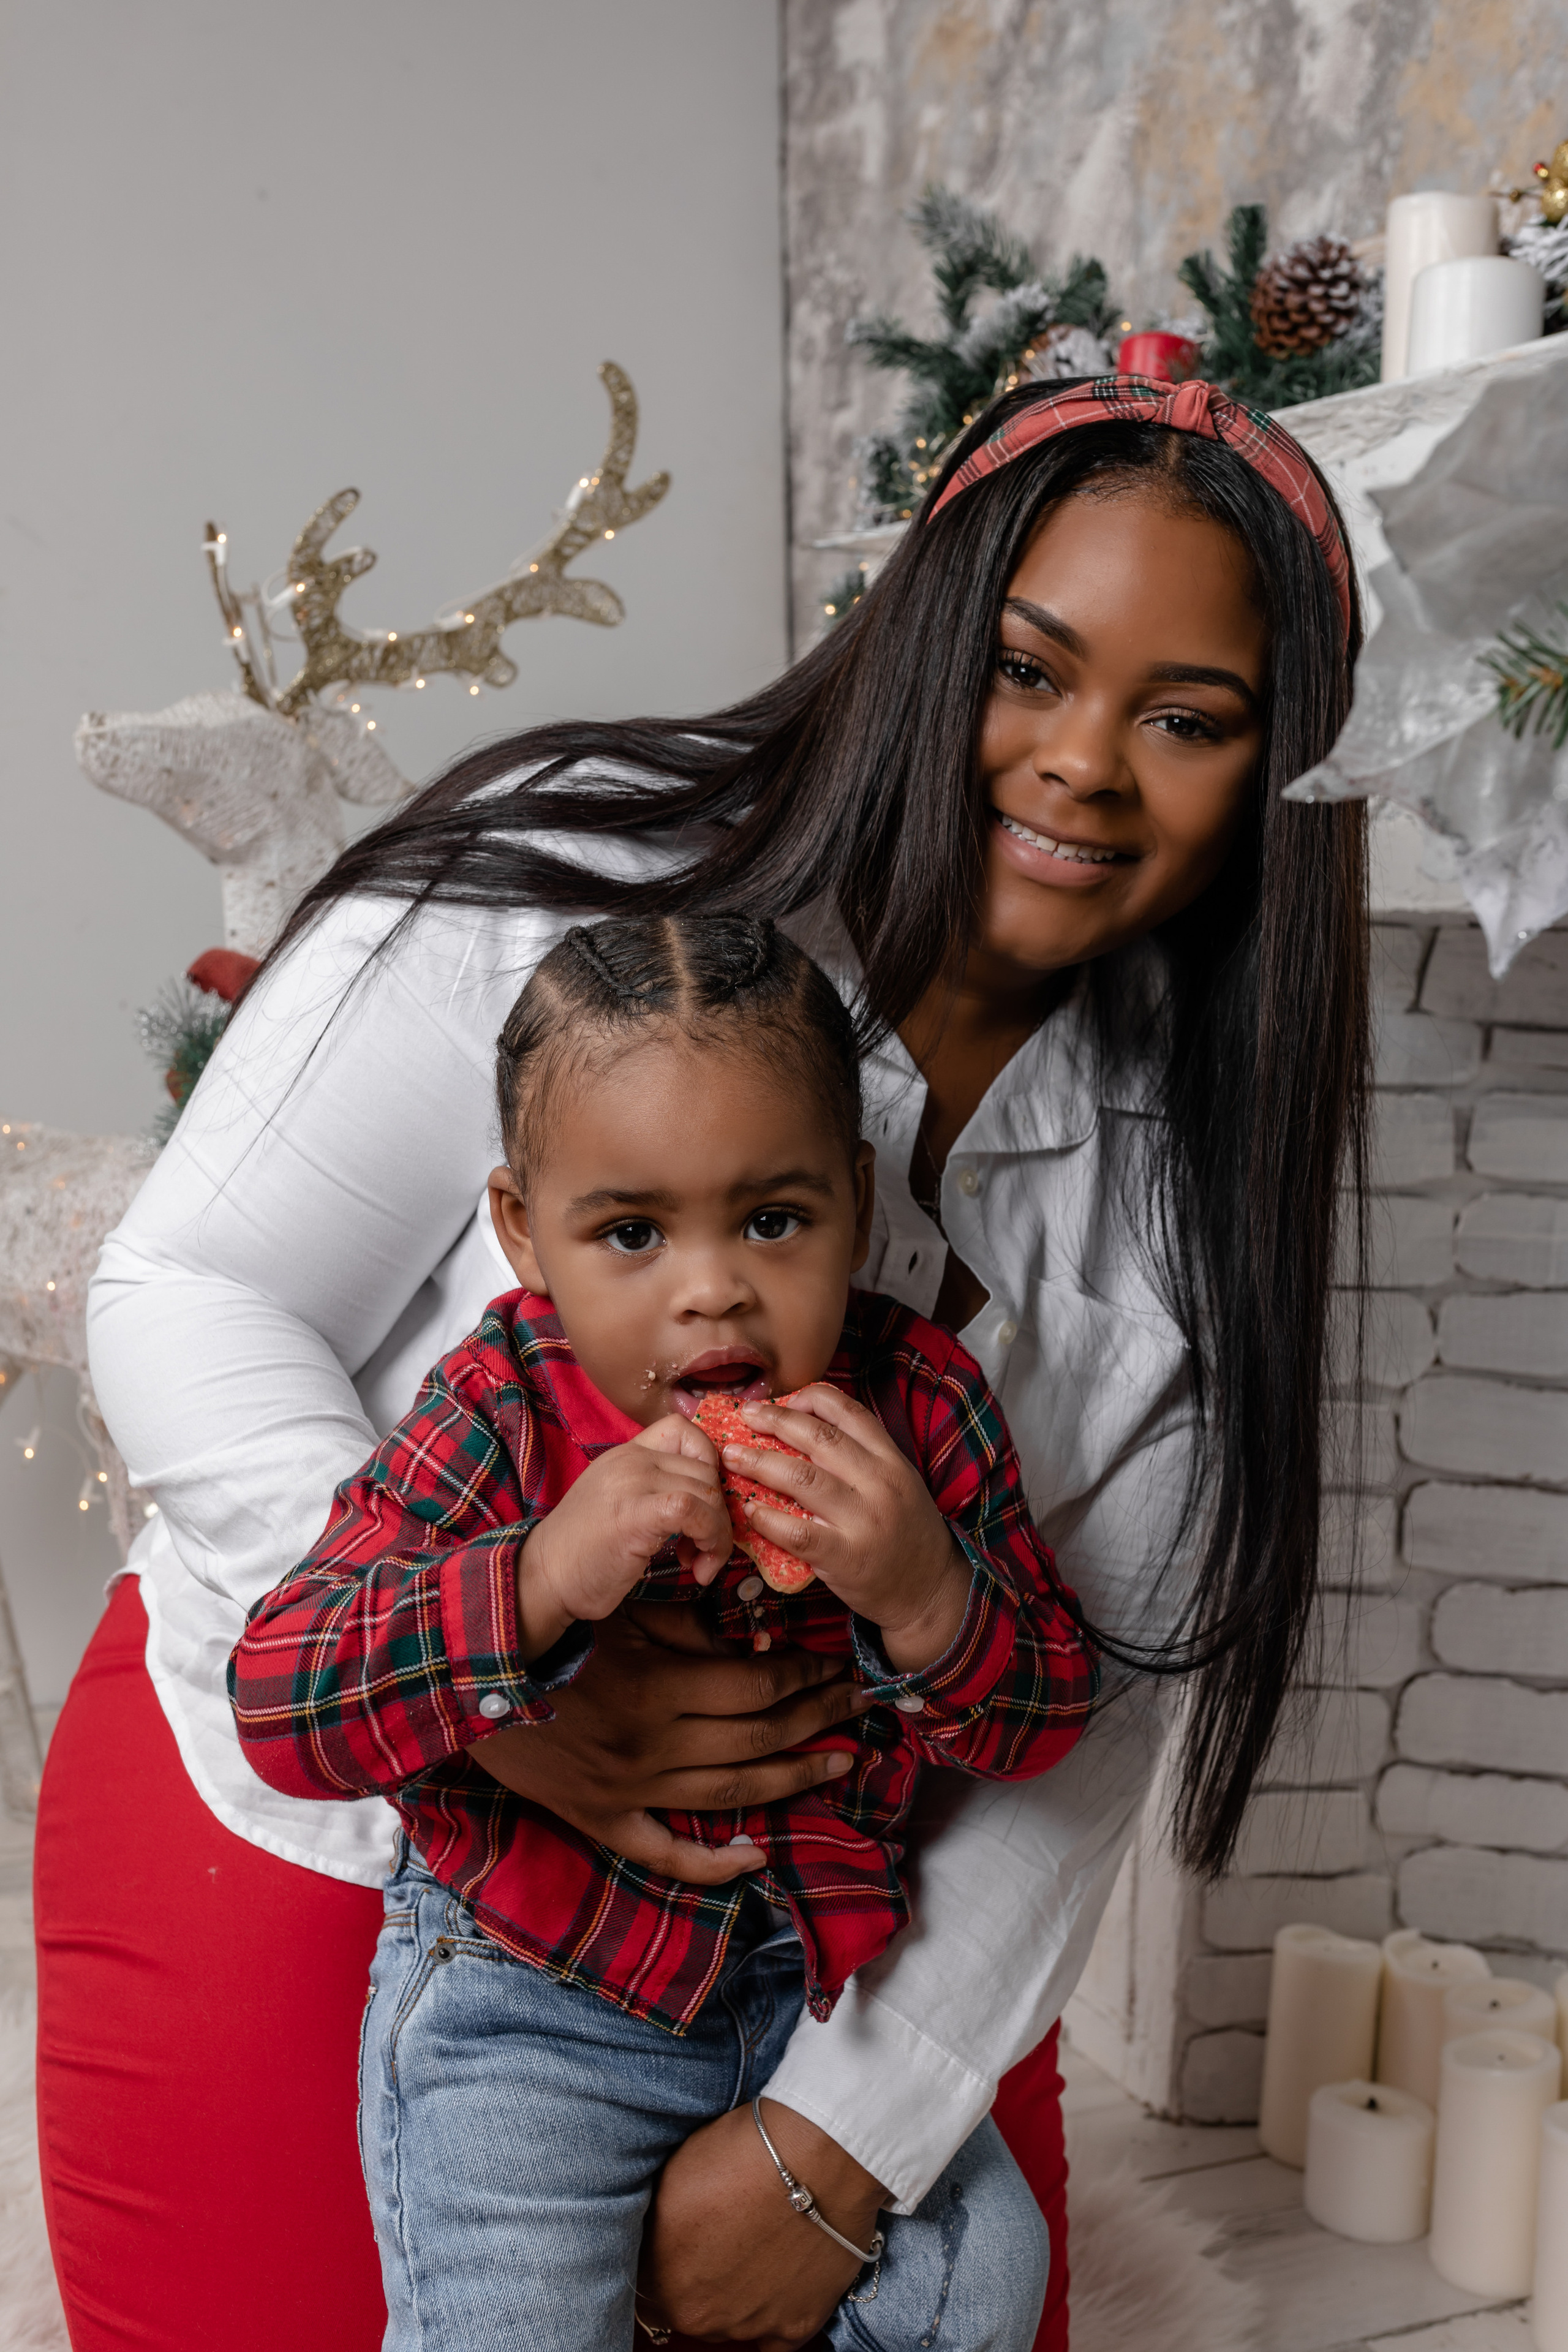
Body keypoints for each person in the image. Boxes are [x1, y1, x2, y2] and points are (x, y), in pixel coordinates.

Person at [45, 372, 1368, 2352]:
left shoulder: (1183, 1222)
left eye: (1188, 720)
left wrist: (844, 2144)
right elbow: (188, 1290)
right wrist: (499, 1684)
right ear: (928, 645)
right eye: (1030, 669)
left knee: (973, 2288)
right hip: (359, 1843)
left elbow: (1074, 1726)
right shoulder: (562, 895)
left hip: (821, 1932)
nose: (1089, 764)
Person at [230, 912, 1098, 2350]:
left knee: (986, 2268)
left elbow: (1046, 1721)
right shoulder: (501, 1410)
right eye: (629, 1232)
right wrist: (540, 1575)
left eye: (773, 1219)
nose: (710, 1288)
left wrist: (923, 1590)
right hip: (527, 2002)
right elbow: (283, 1698)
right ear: (524, 1233)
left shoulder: (917, 1410)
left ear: (857, 1203)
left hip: (815, 2001)